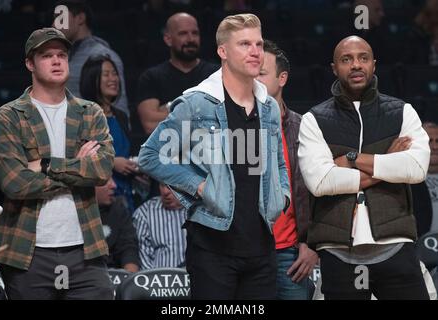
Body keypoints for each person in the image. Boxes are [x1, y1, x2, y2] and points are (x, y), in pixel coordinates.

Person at [138, 13, 290, 300]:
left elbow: (279, 162)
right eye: (244, 44)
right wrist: (197, 186)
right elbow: (151, 156)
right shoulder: (197, 103)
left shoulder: (268, 106)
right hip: (213, 245)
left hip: (261, 246)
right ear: (223, 51)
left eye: (258, 44)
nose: (255, 51)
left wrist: (281, 197)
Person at [298, 35, 431, 300]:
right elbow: (321, 182)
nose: (356, 65)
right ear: (335, 69)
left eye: (363, 58)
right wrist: (386, 162)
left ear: (374, 64)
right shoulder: (314, 119)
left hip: (396, 246)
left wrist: (351, 158)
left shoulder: (402, 111)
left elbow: (415, 168)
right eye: (346, 60)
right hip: (339, 253)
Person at [0, 27, 115, 300]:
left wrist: (44, 164)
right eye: (47, 56)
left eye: (62, 55)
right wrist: (77, 167)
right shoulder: (8, 116)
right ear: (29, 64)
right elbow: (16, 184)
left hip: (86, 248)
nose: (57, 61)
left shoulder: (89, 112)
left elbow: (102, 171)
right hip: (28, 252)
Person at [257, 40, 318, 300]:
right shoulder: (234, 127)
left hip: (290, 253)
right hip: (247, 252)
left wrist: (312, 243)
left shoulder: (305, 128)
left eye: (261, 73)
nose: (253, 79)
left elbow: (319, 191)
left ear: (282, 78)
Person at [80, 55, 149, 213]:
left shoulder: (121, 116)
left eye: (114, 73)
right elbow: (80, 159)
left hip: (126, 196)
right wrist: (112, 162)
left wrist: (135, 169)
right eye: (106, 74)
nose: (113, 79)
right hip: (101, 201)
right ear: (92, 79)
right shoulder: (84, 116)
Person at [135, 12, 218, 136]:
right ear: (168, 39)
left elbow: (225, 117)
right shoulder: (151, 77)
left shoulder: (216, 74)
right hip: (168, 152)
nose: (191, 39)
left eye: (195, 33)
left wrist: (170, 109)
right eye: (183, 34)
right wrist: (202, 113)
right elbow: (150, 124)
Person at [53, 0, 130, 117]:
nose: (54, 25)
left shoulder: (104, 55)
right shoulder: (60, 56)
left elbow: (119, 106)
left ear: (80, 18)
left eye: (60, 19)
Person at [132, 183, 187, 270]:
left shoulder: (199, 211)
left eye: (171, 186)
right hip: (159, 280)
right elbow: (143, 258)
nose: (165, 192)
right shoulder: (145, 212)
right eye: (162, 185)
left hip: (194, 278)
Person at [96, 178, 139, 273]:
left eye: (112, 179)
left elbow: (128, 247)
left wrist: (130, 278)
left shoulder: (118, 209)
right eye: (106, 181)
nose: (114, 185)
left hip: (115, 275)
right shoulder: (71, 214)